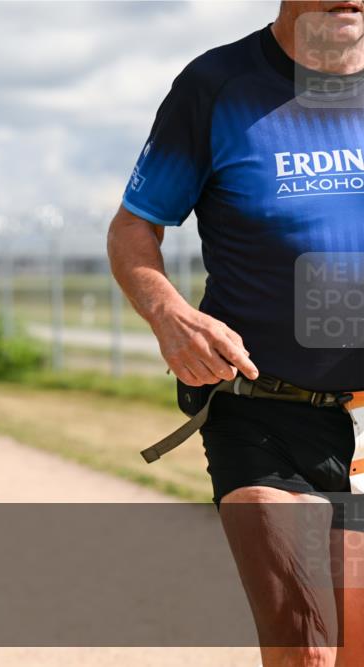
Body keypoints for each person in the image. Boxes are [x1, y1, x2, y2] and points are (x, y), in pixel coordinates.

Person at [108, 3, 363, 665]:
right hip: (262, 410)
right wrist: (168, 314)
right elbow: (133, 228)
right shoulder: (216, 87)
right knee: (308, 647)